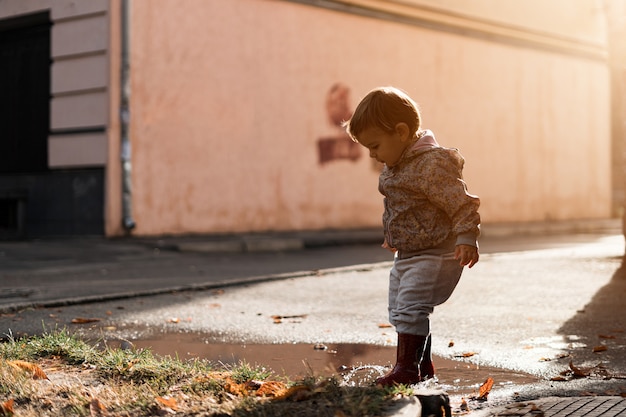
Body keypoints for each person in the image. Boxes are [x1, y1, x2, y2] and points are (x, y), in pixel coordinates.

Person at [343, 86, 480, 386]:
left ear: (402, 132)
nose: (373, 155)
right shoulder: (397, 165)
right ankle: (421, 366)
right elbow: (401, 206)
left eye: (376, 145)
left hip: (438, 252)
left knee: (410, 308)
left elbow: (460, 201)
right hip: (409, 253)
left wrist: (467, 236)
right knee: (399, 310)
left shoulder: (431, 165)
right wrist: (394, 235)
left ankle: (406, 370)